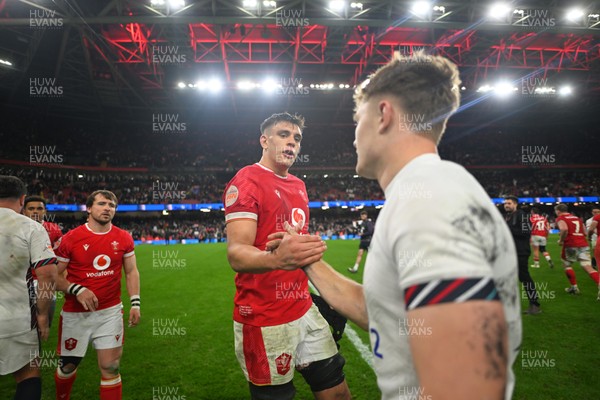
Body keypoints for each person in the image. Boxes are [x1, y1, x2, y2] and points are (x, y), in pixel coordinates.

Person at [267, 52, 521, 400]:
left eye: (358, 118)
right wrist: (309, 260)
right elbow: (392, 314)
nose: (354, 136)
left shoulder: (427, 201)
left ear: (384, 115)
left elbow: (469, 377)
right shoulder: (425, 192)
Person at [223, 112, 351, 400]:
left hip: (304, 308)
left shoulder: (298, 185)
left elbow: (294, 246)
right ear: (264, 140)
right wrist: (276, 260)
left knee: (338, 392)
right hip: (264, 316)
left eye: (297, 138)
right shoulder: (246, 180)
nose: (292, 142)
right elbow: (236, 254)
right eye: (283, 134)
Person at [54, 190, 141, 400]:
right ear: (89, 208)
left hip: (110, 312)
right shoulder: (71, 239)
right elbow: (52, 276)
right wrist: (77, 289)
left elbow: (131, 271)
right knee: (68, 365)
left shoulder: (123, 237)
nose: (107, 208)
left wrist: (135, 303)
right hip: (76, 313)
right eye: (102, 204)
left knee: (110, 367)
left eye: (111, 205)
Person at [0, 175, 57, 400]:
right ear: (22, 199)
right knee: (28, 375)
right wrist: (42, 315)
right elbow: (49, 276)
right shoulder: (30, 227)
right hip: (18, 318)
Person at [23, 195, 64, 327]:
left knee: (44, 325)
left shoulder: (54, 230)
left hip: (46, 283)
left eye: (39, 208)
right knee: (23, 325)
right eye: (31, 208)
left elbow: (60, 260)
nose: (35, 211)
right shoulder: (16, 228)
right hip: (22, 283)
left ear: (45, 211)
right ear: (24, 211)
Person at [503, 196, 541, 315]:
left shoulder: (523, 215)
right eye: (505, 203)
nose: (506, 205)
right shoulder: (508, 217)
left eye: (509, 203)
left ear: (515, 204)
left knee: (524, 277)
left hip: (520, 251)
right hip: (509, 252)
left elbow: (526, 232)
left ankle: (534, 304)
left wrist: (507, 229)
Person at [554, 203, 599, 298]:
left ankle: (574, 288)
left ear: (558, 211)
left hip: (571, 244)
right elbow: (585, 232)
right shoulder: (576, 218)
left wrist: (561, 240)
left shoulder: (560, 218)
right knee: (588, 267)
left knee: (567, 265)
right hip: (583, 244)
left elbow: (564, 229)